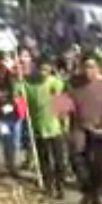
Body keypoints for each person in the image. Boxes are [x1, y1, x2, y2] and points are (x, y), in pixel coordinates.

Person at [66, 53, 102, 204]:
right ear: (81, 68)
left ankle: (95, 196)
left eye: (92, 67)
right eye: (86, 67)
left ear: (98, 69)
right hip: (79, 128)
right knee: (77, 159)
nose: (89, 71)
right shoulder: (72, 84)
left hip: (99, 129)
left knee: (98, 164)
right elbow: (60, 106)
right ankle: (87, 191)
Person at [20, 57, 69, 196]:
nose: (43, 73)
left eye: (47, 70)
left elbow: (62, 102)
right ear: (36, 68)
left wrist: (65, 122)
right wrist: (22, 107)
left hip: (55, 128)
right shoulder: (26, 84)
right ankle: (48, 185)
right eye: (41, 69)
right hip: (37, 128)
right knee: (43, 159)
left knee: (59, 160)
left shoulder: (55, 83)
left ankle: (60, 185)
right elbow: (21, 105)